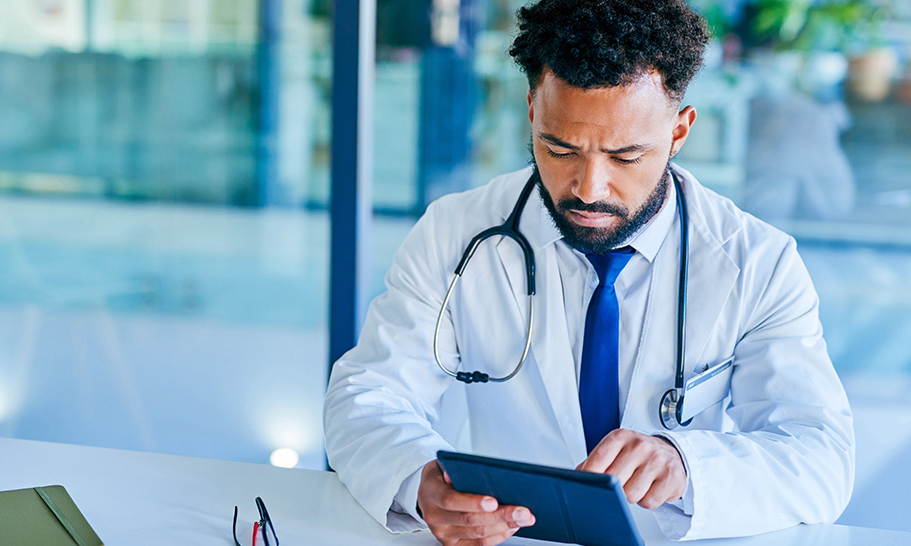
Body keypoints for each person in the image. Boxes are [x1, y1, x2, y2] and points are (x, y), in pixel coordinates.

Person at [324, 0, 854, 543]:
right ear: (532, 109)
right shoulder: (454, 232)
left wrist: (686, 464)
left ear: (679, 131)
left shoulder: (758, 263)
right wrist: (418, 481)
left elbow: (820, 458)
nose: (587, 188)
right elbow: (366, 395)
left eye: (625, 157)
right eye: (559, 149)